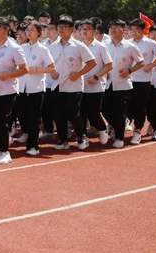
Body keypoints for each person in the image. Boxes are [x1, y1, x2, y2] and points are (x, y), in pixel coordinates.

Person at [0, 17, 28, 164]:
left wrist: (8, 75)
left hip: (7, 90)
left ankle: (4, 151)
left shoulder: (14, 48)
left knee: (0, 120)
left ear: (7, 30)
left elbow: (24, 69)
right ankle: (2, 140)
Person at [47, 15, 96, 150]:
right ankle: (63, 140)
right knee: (58, 114)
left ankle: (81, 136)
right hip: (56, 85)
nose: (61, 30)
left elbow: (92, 63)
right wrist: (51, 72)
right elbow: (49, 64)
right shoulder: (53, 46)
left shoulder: (78, 46)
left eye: (64, 27)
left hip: (73, 86)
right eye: (59, 27)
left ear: (71, 29)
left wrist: (79, 74)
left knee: (73, 114)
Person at [103, 20, 144, 148]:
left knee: (119, 112)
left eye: (116, 28)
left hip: (123, 85)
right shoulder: (105, 45)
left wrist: (129, 70)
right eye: (111, 27)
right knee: (103, 108)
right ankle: (116, 126)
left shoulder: (130, 46)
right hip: (106, 83)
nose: (113, 30)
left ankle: (119, 138)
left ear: (123, 30)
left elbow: (141, 62)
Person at [21, 21, 56, 155]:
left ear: (39, 33)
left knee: (33, 118)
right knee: (22, 115)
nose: (28, 32)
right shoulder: (22, 47)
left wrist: (35, 69)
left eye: (32, 30)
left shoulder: (43, 49)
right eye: (27, 30)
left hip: (36, 88)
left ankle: (33, 146)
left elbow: (51, 67)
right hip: (21, 88)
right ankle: (29, 137)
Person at [127, 18, 156, 145]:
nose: (134, 32)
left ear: (143, 30)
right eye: (132, 29)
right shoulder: (127, 43)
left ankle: (137, 131)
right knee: (126, 106)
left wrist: (151, 66)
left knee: (140, 107)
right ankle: (120, 127)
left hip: (143, 81)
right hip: (127, 80)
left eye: (137, 29)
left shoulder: (151, 43)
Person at [79, 19, 113, 146]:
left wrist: (96, 77)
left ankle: (103, 129)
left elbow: (109, 65)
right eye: (83, 29)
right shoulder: (78, 45)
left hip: (96, 85)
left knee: (93, 112)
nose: (85, 31)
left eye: (88, 28)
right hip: (79, 86)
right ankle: (83, 136)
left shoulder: (100, 46)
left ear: (94, 31)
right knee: (80, 113)